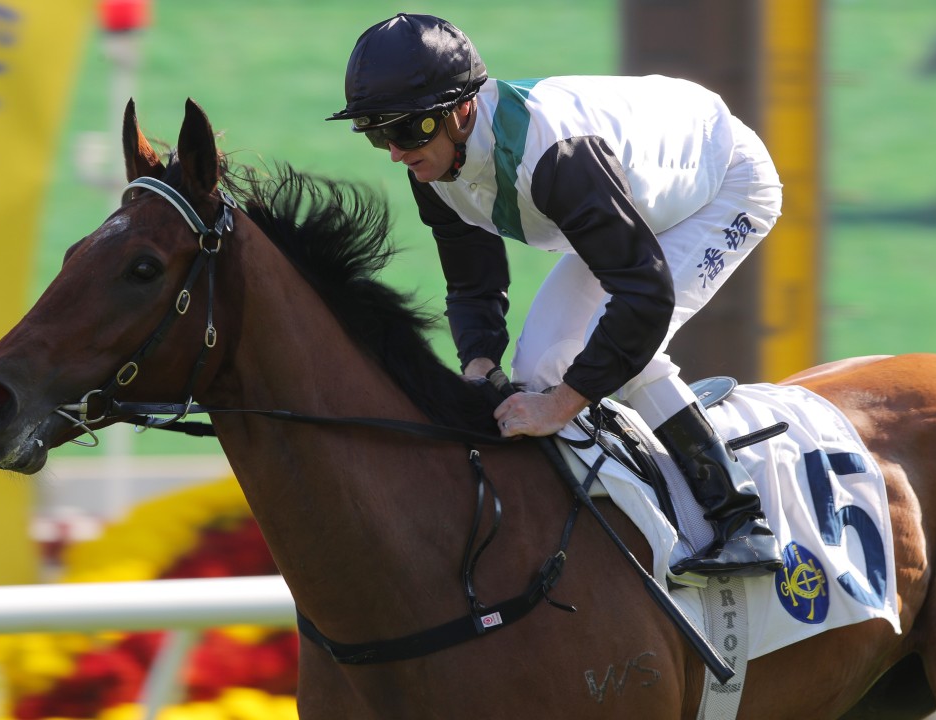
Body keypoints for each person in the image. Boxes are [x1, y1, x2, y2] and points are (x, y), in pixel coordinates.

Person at [327, 13, 784, 577]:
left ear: (460, 111)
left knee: (615, 354)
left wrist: (564, 403)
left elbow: (643, 299)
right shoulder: (434, 164)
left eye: (405, 131)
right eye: (379, 135)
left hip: (724, 183)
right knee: (538, 368)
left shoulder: (558, 159)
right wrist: (478, 363)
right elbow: (472, 282)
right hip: (637, 192)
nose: (396, 153)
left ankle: (743, 520)